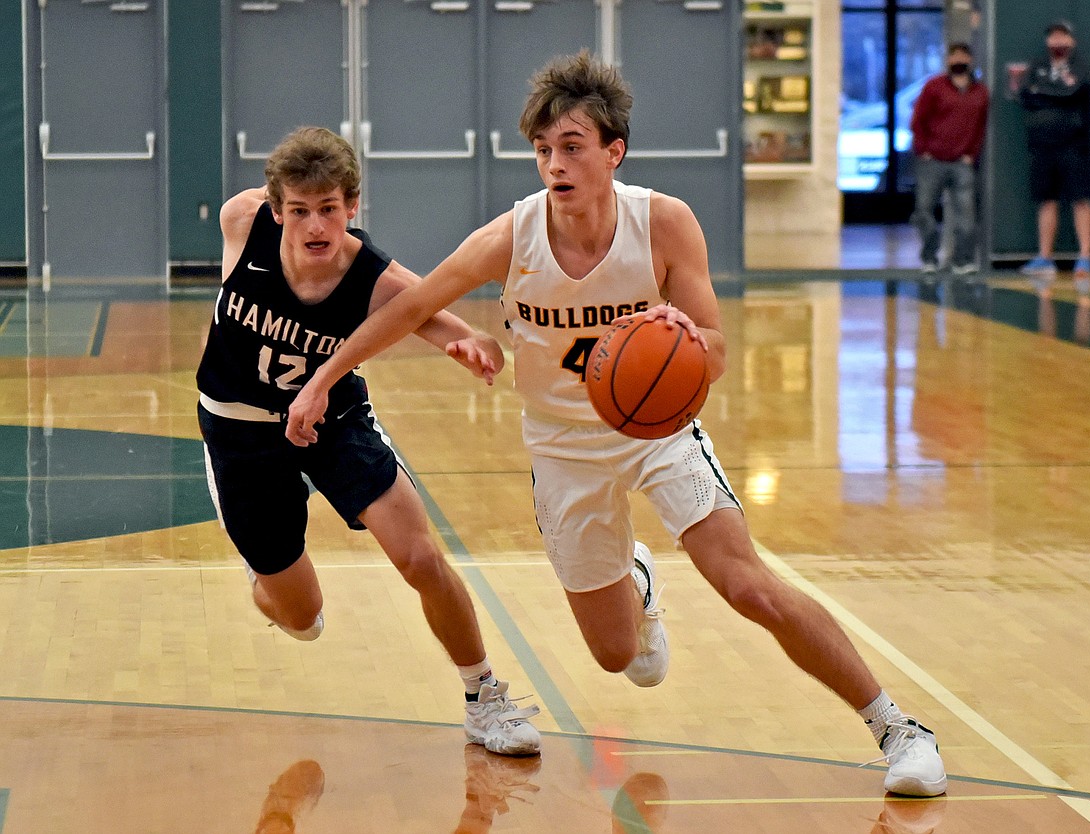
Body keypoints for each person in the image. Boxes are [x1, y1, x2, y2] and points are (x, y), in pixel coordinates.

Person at [284, 53, 948, 797]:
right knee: (617, 655)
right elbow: (408, 306)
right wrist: (324, 378)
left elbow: (718, 349)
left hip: (657, 434)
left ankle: (897, 728)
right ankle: (638, 576)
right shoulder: (513, 235)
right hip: (562, 450)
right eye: (543, 150)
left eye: (571, 146)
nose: (554, 164)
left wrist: (685, 344)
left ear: (613, 151)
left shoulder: (662, 224)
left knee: (747, 584)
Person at [195, 126, 540, 757]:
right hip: (241, 430)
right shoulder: (243, 221)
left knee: (421, 559)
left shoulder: (369, 272)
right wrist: (283, 188)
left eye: (329, 208)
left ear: (352, 207)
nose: (314, 225)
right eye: (298, 210)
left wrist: (463, 339)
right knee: (302, 620)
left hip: (334, 419)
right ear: (277, 211)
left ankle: (483, 694)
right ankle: (265, 571)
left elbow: (422, 306)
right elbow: (270, 198)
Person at [1017, 20, 1090, 297]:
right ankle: (1044, 257)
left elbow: (1074, 91)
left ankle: (1085, 256)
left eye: (1062, 36)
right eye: (1052, 36)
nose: (1057, 41)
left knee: (1080, 199)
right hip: (1042, 145)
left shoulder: (1081, 67)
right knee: (1046, 200)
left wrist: (1048, 94)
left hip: (1073, 145)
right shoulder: (1036, 66)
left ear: (1071, 41)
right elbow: (1026, 94)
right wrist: (1056, 95)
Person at [909, 42, 989, 275]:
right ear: (947, 61)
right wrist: (922, 149)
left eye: (963, 56)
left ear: (971, 60)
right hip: (932, 160)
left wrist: (971, 154)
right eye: (954, 57)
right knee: (924, 210)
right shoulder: (934, 87)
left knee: (966, 215)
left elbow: (980, 127)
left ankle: (962, 260)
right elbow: (918, 120)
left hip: (962, 162)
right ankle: (930, 256)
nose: (959, 61)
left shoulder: (980, 92)